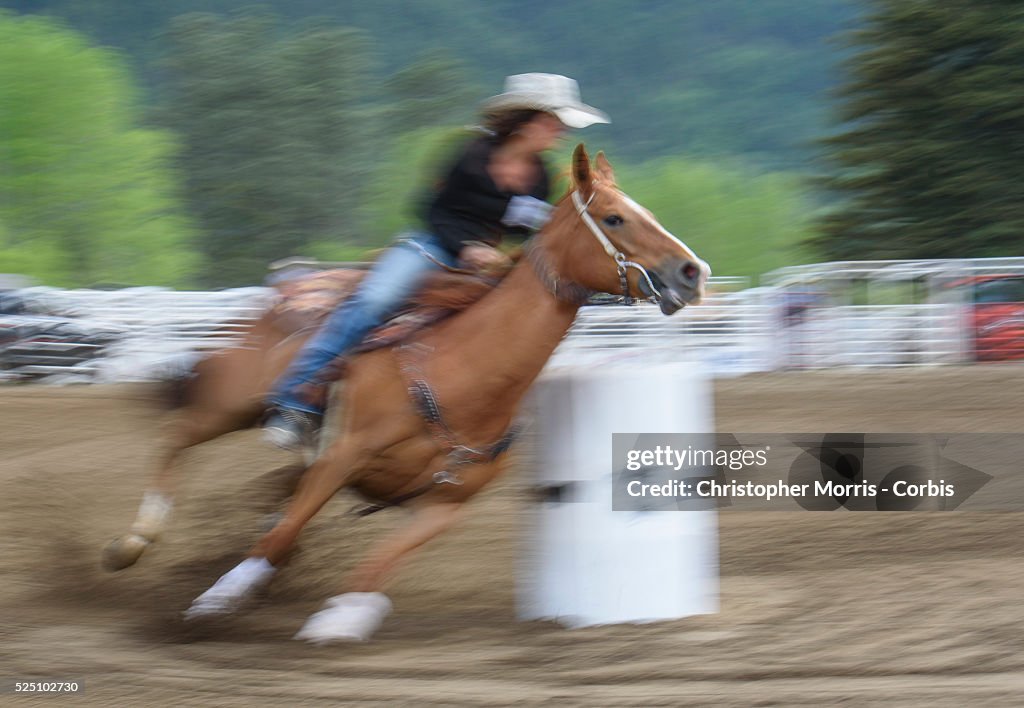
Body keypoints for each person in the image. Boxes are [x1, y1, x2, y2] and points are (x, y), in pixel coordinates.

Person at [263, 73, 610, 450]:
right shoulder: (469, 155)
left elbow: (525, 227)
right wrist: (466, 247)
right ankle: (294, 402)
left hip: (489, 261)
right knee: (374, 300)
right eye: (551, 122)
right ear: (524, 122)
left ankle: (481, 421)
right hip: (431, 247)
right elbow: (432, 210)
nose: (559, 131)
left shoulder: (540, 177)